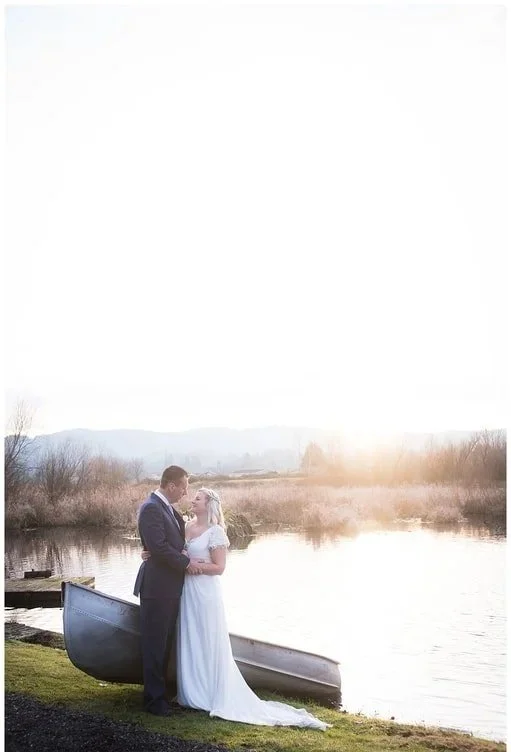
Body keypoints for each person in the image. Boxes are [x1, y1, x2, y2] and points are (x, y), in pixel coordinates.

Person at [141, 487, 331, 730]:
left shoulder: (216, 531)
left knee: (208, 639)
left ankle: (210, 692)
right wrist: (150, 553)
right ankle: (191, 691)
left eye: (197, 498)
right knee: (190, 638)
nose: (191, 500)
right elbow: (168, 548)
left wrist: (194, 566)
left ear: (209, 504)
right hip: (186, 592)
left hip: (205, 593)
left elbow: (219, 568)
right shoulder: (185, 526)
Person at [133, 465, 203, 716]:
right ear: (171, 485)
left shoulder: (168, 509)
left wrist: (183, 551)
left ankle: (162, 696)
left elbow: (168, 544)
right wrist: (186, 562)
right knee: (154, 645)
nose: (185, 492)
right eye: (183, 487)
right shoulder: (151, 507)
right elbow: (159, 548)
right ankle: (153, 702)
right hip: (157, 587)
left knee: (164, 644)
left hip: (169, 587)